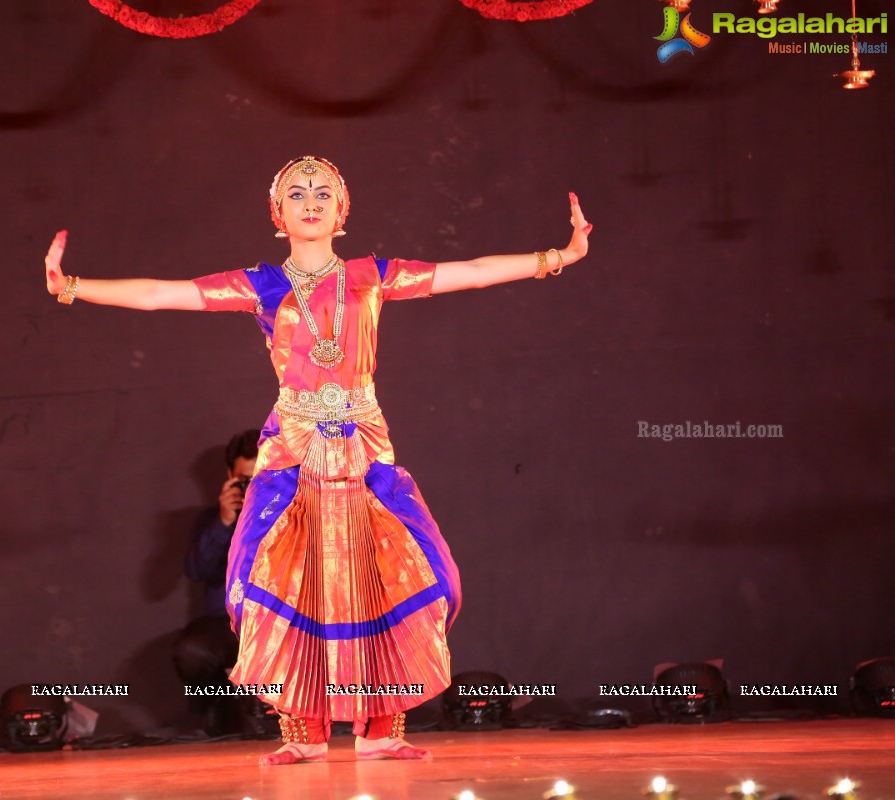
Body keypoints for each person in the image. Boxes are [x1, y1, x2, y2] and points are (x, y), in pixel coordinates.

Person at [43, 156, 592, 765]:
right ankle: (301, 735)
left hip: (365, 447)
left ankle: (382, 726)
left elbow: (471, 272)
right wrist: (72, 286)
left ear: (343, 211)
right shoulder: (259, 286)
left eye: (323, 193)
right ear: (278, 216)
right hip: (292, 453)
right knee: (278, 582)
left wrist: (557, 257)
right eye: (297, 194)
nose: (311, 202)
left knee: (399, 577)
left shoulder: (371, 277)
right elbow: (160, 294)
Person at [173, 430, 260, 736]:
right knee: (193, 650)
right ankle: (221, 708)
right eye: (246, 480)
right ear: (230, 477)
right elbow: (197, 569)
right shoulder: (213, 519)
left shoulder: (296, 514)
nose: (253, 488)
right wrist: (225, 521)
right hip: (228, 627)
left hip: (284, 626)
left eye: (261, 478)